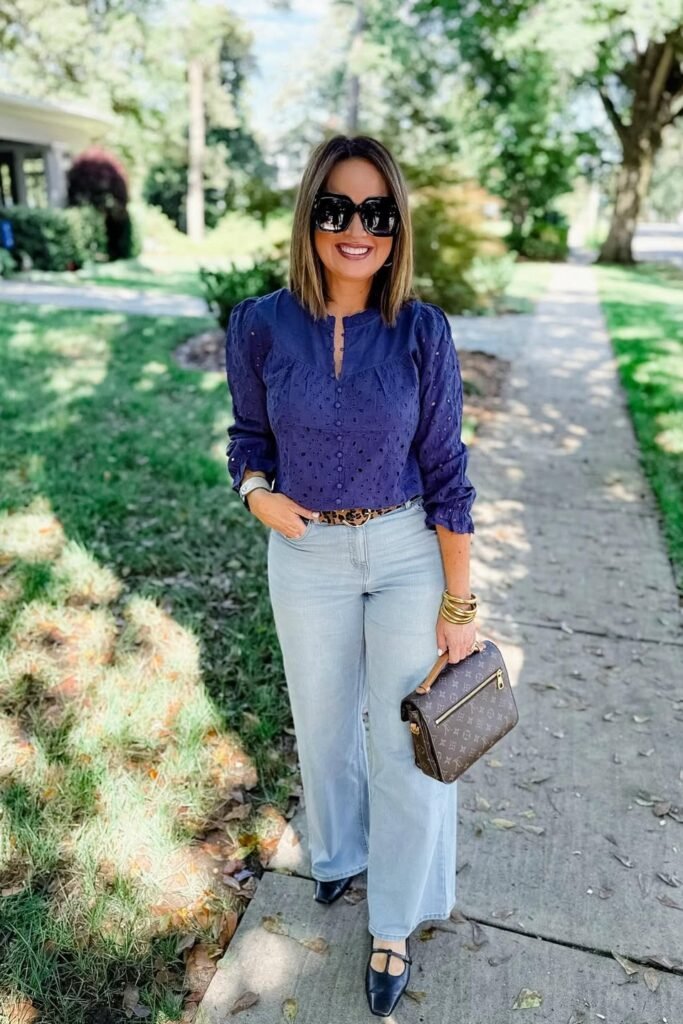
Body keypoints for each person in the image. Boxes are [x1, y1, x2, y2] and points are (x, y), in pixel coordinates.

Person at [224, 134, 478, 1017]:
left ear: (396, 225)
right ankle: (336, 858)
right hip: (307, 555)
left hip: (405, 548)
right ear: (311, 217)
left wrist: (458, 602)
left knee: (403, 749)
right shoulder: (260, 324)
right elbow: (247, 442)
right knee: (324, 728)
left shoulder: (421, 330)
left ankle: (393, 923)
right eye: (337, 209)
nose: (356, 228)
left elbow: (446, 469)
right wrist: (257, 494)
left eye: (376, 212)